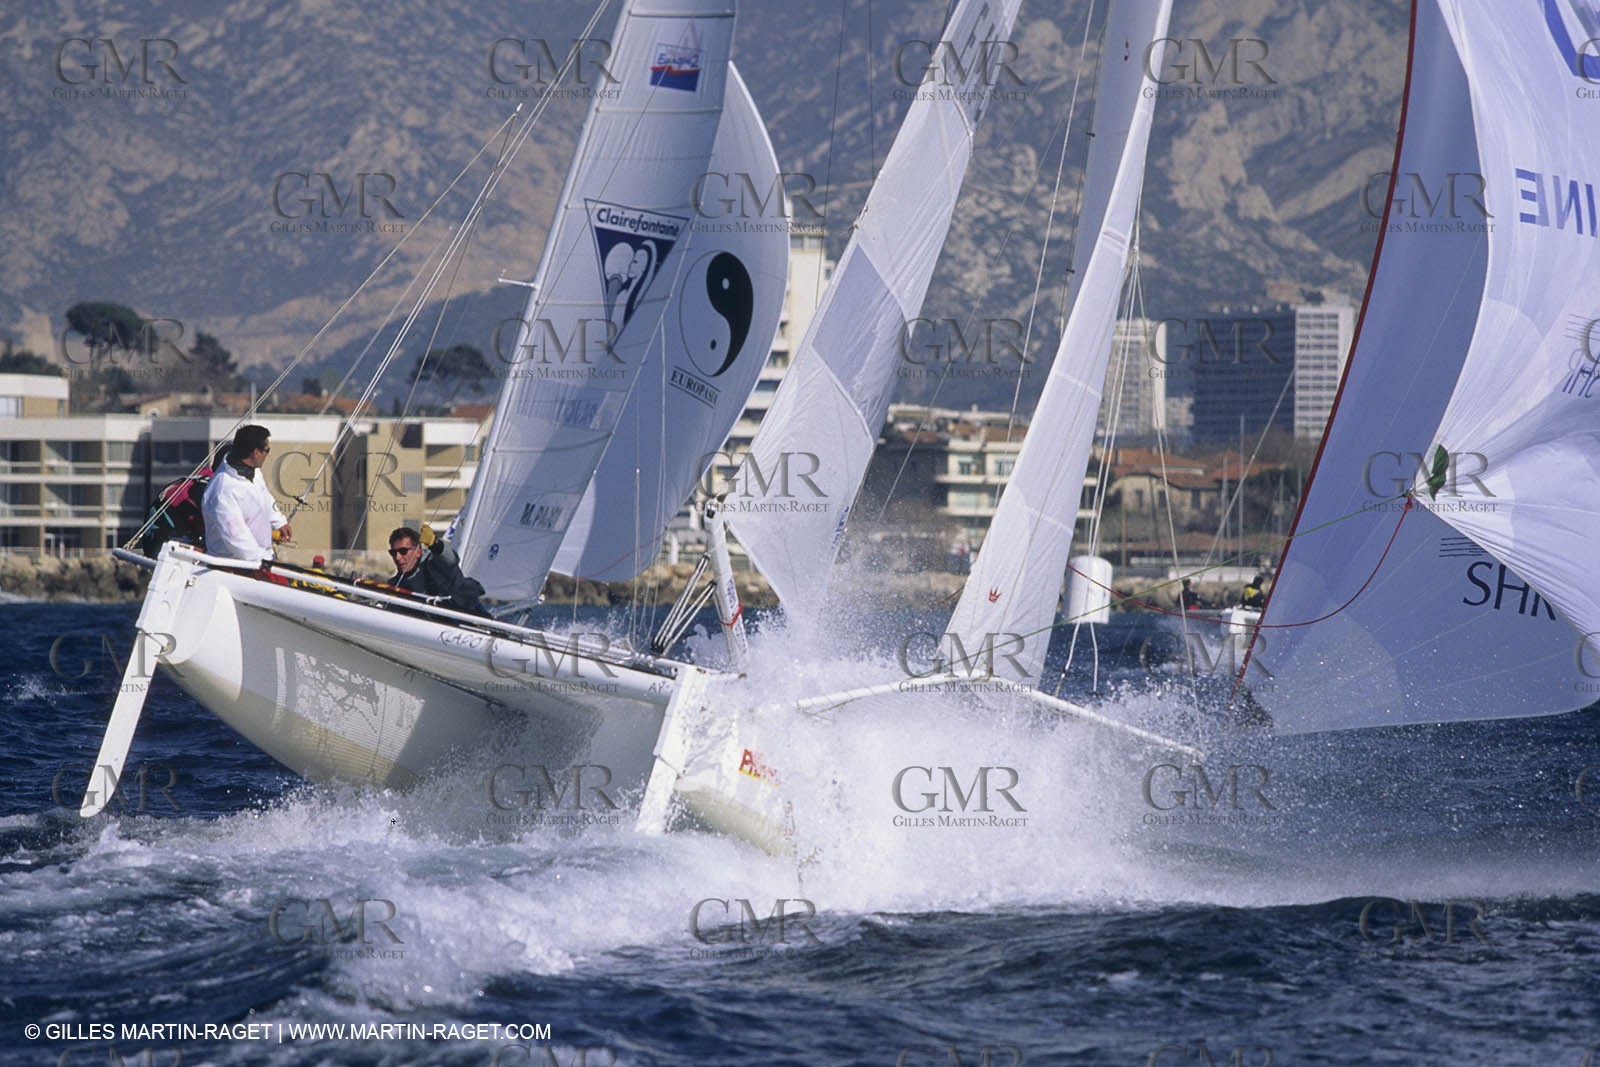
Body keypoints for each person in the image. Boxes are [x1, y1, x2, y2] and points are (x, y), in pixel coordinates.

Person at [201, 425, 290, 562]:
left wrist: (278, 521)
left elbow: (264, 496)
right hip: (235, 564)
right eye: (267, 450)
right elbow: (237, 538)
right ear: (255, 453)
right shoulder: (223, 490)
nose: (268, 454)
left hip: (261, 557)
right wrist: (264, 560)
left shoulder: (253, 471)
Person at [387, 524, 486, 614]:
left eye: (403, 551)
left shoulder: (434, 563)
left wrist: (435, 543)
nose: (397, 557)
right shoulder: (395, 585)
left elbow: (450, 560)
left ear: (418, 552)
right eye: (393, 553)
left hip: (471, 617)